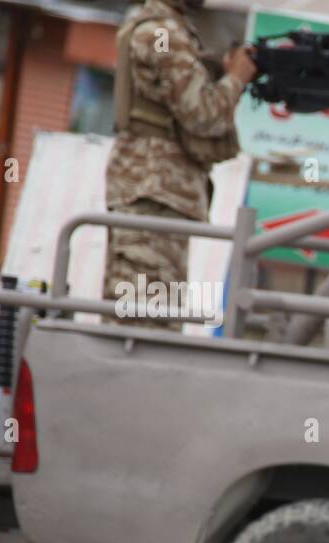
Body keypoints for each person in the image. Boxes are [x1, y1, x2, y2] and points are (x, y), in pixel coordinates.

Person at [103, 0, 255, 325]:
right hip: (152, 192)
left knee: (156, 313)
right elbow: (201, 114)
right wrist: (238, 79)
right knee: (142, 319)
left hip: (155, 192)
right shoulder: (163, 34)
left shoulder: (169, 29)